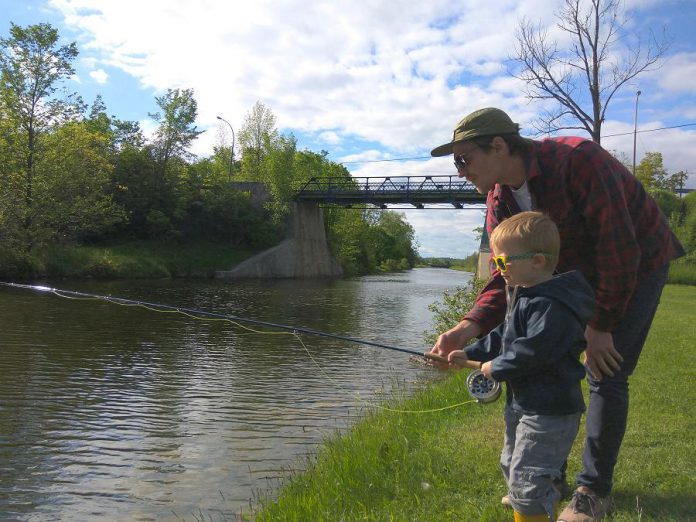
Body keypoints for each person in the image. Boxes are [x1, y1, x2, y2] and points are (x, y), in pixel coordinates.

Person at [429, 107, 685, 522]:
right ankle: (546, 476)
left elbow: (617, 251)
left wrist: (600, 326)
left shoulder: (579, 160)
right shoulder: (500, 197)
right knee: (542, 359)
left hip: (637, 261)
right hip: (569, 273)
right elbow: (503, 275)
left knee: (606, 371)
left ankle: (592, 492)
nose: (459, 172)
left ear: (498, 145)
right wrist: (467, 327)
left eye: (463, 159)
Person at [450, 211, 593, 522]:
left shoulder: (553, 306)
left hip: (549, 410)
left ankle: (530, 503)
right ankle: (529, 500)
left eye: (502, 262)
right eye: (494, 263)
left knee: (529, 475)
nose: (497, 269)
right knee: (512, 462)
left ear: (538, 261)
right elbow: (505, 336)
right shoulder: (526, 296)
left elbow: (532, 352)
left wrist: (493, 367)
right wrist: (469, 352)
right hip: (524, 404)